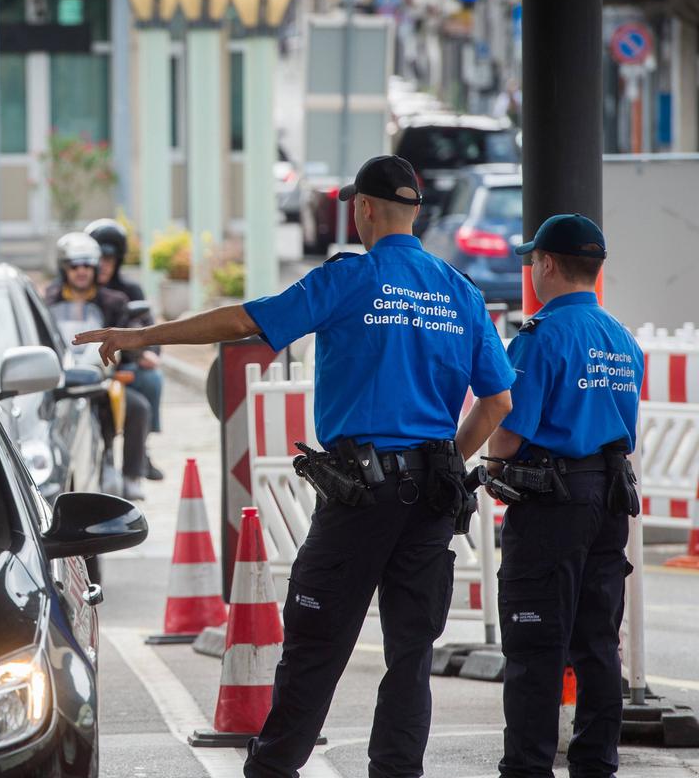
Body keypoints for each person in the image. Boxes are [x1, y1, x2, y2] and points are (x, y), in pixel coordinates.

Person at [75, 154, 516, 778]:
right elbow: (498, 400)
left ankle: (274, 770)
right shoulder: (461, 291)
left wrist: (142, 337)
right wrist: (448, 460)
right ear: (414, 214)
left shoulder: (350, 280)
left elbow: (245, 320)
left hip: (361, 497)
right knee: (411, 656)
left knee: (314, 646)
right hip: (431, 501)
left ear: (362, 209)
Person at [486, 214, 642, 778]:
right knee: (598, 641)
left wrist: (488, 466)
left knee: (534, 643)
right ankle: (596, 764)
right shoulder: (623, 339)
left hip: (553, 500)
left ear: (547, 264)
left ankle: (527, 768)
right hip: (610, 496)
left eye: (532, 260)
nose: (530, 268)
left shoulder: (540, 336)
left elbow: (508, 424)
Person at [45, 231, 152, 501]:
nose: (81, 272)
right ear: (64, 269)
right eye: (74, 266)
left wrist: (135, 350)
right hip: (63, 378)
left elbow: (133, 332)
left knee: (138, 408)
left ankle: (131, 475)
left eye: (86, 265)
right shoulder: (49, 299)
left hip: (102, 377)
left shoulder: (114, 302)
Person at [86, 218, 166, 482]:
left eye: (110, 258)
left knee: (151, 381)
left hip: (125, 363)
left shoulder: (128, 292)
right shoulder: (79, 290)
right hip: (88, 364)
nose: (103, 265)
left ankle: (141, 449)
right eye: (98, 258)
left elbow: (147, 328)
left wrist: (147, 352)